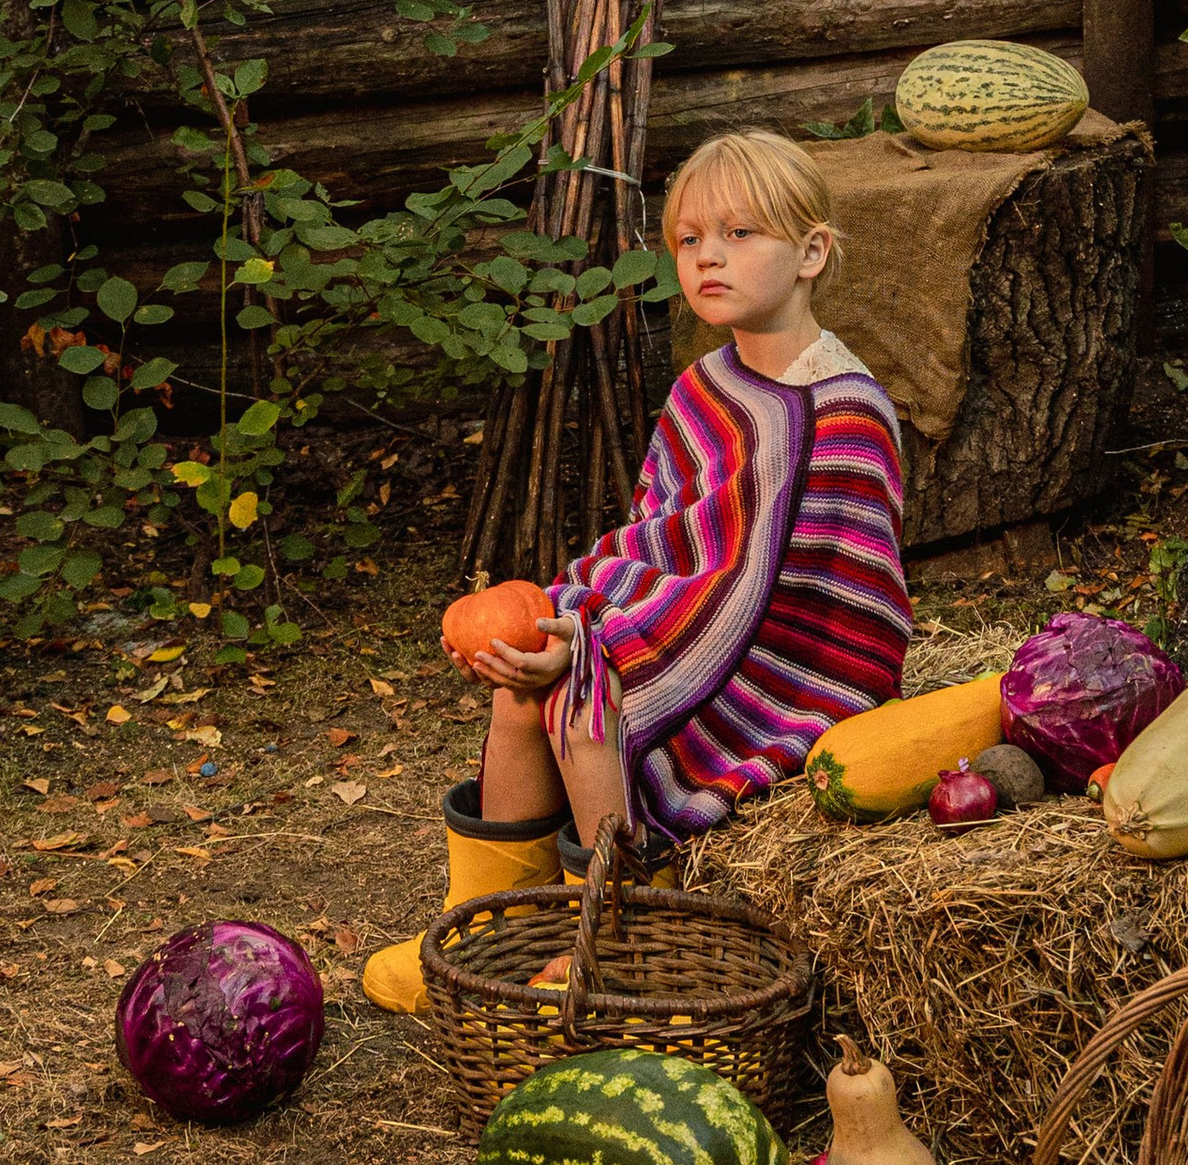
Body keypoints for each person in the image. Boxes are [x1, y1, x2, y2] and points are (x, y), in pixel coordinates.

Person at [359, 131, 911, 1014]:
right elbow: (660, 538)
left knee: (590, 702)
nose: (708, 258)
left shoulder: (840, 414)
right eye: (690, 240)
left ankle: (604, 935)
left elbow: (772, 592)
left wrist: (598, 647)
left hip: (790, 666)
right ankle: (490, 924)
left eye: (740, 234)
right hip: (699, 623)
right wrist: (574, 617)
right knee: (527, 689)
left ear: (811, 253)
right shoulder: (704, 387)